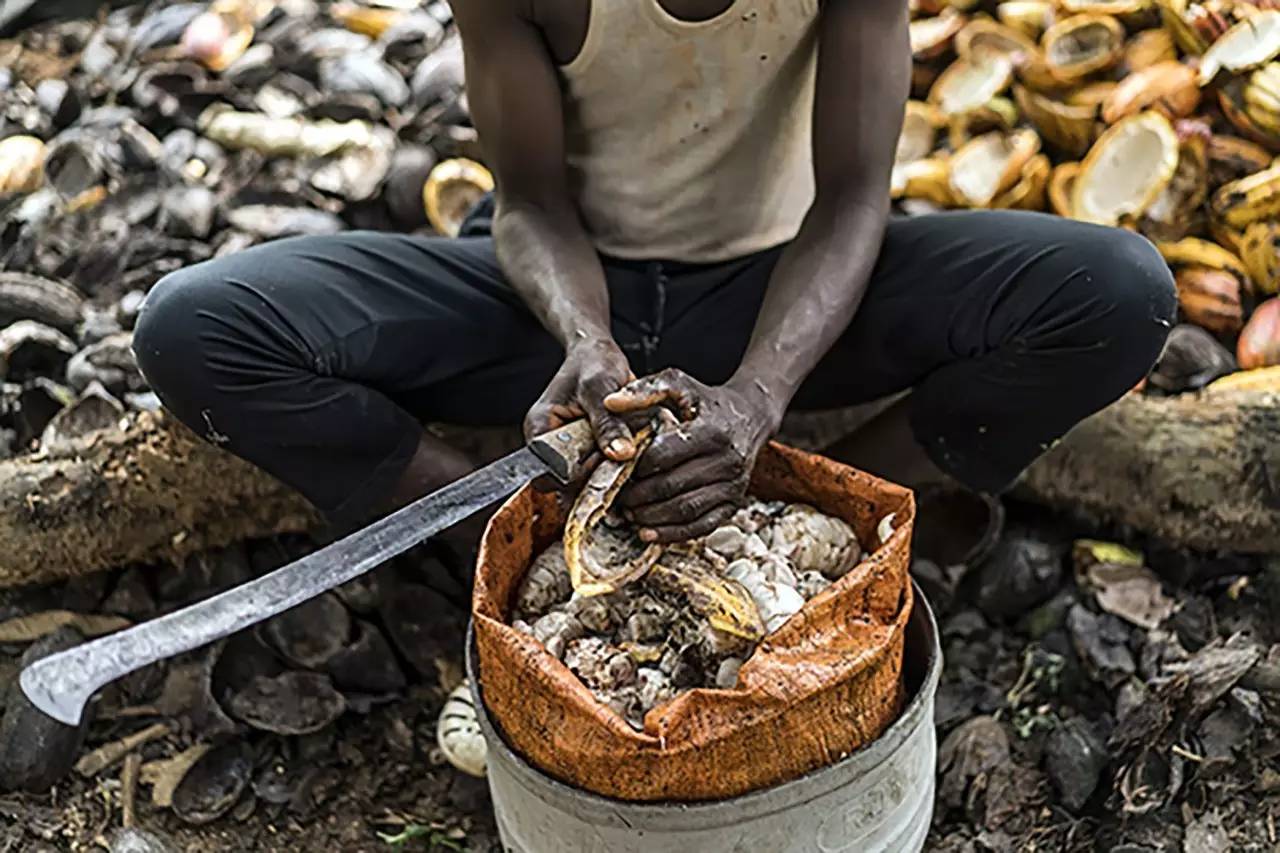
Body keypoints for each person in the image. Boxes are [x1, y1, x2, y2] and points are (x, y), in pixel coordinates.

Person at [132, 0, 1176, 555]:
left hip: (787, 286)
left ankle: (810, 510)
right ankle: (510, 548)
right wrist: (586, 342)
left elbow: (853, 199)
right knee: (197, 325)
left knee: (1116, 291)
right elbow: (531, 204)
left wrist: (759, 403)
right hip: (563, 304)